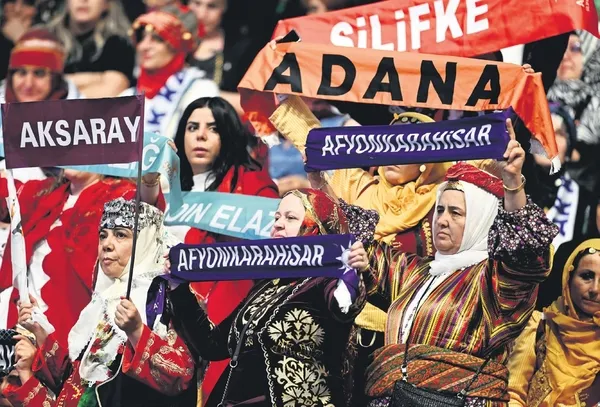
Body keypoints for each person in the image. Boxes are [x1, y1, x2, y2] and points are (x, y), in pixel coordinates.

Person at [363, 123, 558, 406]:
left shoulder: (494, 279)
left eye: (456, 213)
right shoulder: (417, 272)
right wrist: (319, 180)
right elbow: (363, 254)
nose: (442, 220)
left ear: (481, 220)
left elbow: (526, 253)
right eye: (440, 209)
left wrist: (513, 183)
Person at [169, 187, 378, 406]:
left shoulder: (326, 282)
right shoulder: (266, 285)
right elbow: (212, 345)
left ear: (315, 228)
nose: (278, 224)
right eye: (277, 217)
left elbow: (344, 305)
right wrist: (178, 287)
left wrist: (351, 270)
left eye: (290, 218)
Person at [143, 95, 278, 403]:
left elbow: (270, 250)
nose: (200, 135)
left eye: (213, 128)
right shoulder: (168, 188)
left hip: (219, 322)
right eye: (192, 127)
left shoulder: (253, 186)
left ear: (228, 136)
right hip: (163, 318)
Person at [5, 198, 196, 406]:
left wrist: (137, 331)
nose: (106, 245)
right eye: (103, 236)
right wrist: (40, 334)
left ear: (146, 242)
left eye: (121, 235)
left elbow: (181, 378)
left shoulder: (166, 301)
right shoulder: (100, 305)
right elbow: (77, 387)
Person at [0, 170, 147, 345]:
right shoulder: (44, 192)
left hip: (74, 329)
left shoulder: (122, 195)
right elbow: (6, 193)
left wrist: (152, 178)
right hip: (23, 326)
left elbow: (150, 207)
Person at [507, 238, 600, 407]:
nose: (594, 289)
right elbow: (513, 394)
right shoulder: (539, 325)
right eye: (587, 276)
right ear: (568, 278)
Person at [121, 4, 219, 139]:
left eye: (157, 39)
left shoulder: (201, 91)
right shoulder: (126, 97)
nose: (144, 46)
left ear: (177, 45)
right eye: (142, 38)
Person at [45, 0, 134, 97]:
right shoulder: (44, 40)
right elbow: (38, 86)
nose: (83, 1)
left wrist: (60, 84)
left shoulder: (119, 43)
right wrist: (98, 79)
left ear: (107, 4)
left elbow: (113, 89)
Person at [187, 0, 257, 114]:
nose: (202, 14)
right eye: (197, 3)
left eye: (212, 6)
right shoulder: (168, 40)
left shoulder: (240, 48)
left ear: (224, 8)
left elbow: (252, 105)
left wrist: (204, 94)